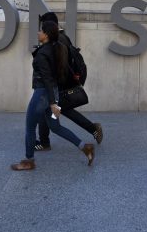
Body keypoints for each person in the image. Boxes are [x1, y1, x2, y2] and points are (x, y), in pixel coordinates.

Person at [11, 20, 95, 171]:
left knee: (30, 127)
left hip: (43, 94)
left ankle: (28, 161)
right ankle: (85, 147)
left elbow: (47, 79)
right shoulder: (59, 48)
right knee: (55, 127)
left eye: (40, 31)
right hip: (53, 93)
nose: (38, 33)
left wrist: (52, 103)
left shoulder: (43, 53)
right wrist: (54, 100)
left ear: (47, 34)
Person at [34, 12, 103, 151]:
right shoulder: (63, 37)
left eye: (42, 28)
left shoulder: (58, 40)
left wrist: (52, 84)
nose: (40, 30)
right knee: (60, 111)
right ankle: (92, 128)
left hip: (57, 84)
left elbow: (60, 64)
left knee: (49, 110)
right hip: (59, 83)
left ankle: (45, 142)